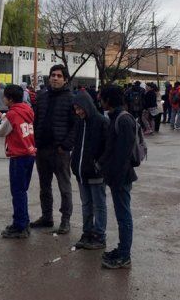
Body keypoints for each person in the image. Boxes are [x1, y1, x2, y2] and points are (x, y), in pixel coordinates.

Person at [0, 84, 37, 239]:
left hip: (19, 156)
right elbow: (11, 120)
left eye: (5, 97)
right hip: (30, 154)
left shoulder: (14, 114)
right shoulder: (26, 109)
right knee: (22, 191)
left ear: (10, 99)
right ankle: (23, 221)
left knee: (18, 192)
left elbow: (1, 131)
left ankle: (20, 226)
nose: (3, 99)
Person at [30, 64, 76, 235]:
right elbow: (36, 121)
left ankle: (65, 220)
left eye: (59, 75)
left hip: (60, 152)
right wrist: (35, 141)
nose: (55, 78)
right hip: (42, 149)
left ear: (65, 79)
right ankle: (46, 217)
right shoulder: (42, 96)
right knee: (44, 187)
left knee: (64, 187)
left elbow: (75, 126)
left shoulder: (71, 98)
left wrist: (65, 145)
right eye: (52, 75)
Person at [98, 85, 138, 269]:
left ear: (108, 100)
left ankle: (124, 255)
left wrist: (115, 178)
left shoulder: (123, 120)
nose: (99, 100)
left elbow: (123, 155)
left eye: (101, 98)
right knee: (122, 215)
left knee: (124, 217)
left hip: (121, 177)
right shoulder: (116, 117)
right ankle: (122, 249)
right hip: (116, 176)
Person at [70, 91, 109, 250]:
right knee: (86, 204)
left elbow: (108, 149)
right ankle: (87, 233)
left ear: (87, 106)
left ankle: (99, 235)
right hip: (81, 172)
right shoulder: (80, 122)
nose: (78, 112)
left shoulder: (102, 122)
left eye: (80, 108)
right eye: (76, 109)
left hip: (95, 173)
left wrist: (98, 165)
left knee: (99, 205)